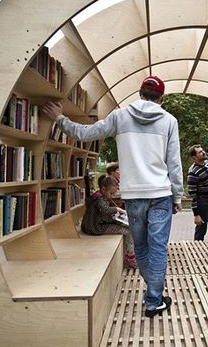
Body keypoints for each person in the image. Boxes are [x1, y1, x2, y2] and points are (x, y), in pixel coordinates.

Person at [41, 75, 183, 318]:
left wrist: (60, 118)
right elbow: (174, 163)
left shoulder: (120, 116)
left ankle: (154, 295)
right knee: (158, 248)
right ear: (162, 97)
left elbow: (85, 134)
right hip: (160, 194)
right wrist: (177, 195)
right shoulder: (169, 120)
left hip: (135, 195)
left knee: (141, 247)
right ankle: (153, 300)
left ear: (140, 93)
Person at [81, 175, 136, 268]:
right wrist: (117, 209)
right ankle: (130, 258)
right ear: (103, 189)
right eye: (111, 193)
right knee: (129, 231)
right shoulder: (100, 199)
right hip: (97, 228)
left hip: (91, 226)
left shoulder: (97, 196)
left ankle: (131, 253)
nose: (112, 196)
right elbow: (105, 210)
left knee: (126, 226)